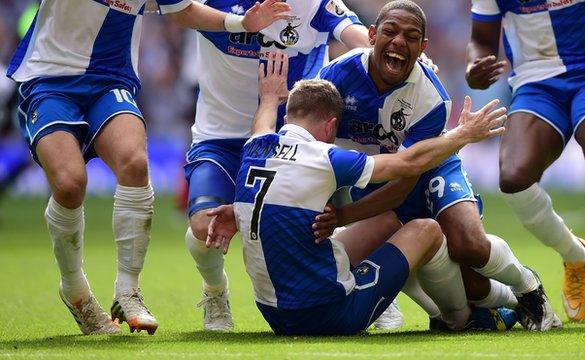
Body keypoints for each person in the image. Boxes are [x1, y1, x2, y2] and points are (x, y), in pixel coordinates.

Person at [6, 0, 290, 335]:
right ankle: (75, 289)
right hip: (50, 78)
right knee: (70, 184)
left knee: (136, 163)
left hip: (110, 81)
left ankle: (128, 291)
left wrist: (241, 23)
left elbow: (180, 10)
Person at [204, 51, 514, 335]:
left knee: (388, 221)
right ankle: (460, 317)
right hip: (327, 314)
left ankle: (443, 308)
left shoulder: (254, 146)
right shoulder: (324, 158)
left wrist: (269, 97)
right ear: (331, 126)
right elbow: (409, 163)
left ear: (288, 118)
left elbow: (262, 124)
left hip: (271, 312)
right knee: (426, 229)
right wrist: (462, 135)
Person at [316, 0, 561, 330]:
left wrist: (342, 218)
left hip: (429, 168)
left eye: (411, 36)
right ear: (372, 35)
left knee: (468, 246)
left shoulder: (432, 96)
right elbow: (318, 149)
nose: (399, 42)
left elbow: (403, 183)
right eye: (390, 31)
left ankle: (528, 287)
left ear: (422, 47)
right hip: (372, 181)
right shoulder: (335, 77)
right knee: (466, 290)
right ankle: (474, 310)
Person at [182, 0, 390, 332]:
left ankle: (356, 280)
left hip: (287, 143)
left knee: (320, 221)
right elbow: (178, 12)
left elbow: (357, 38)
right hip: (220, 138)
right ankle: (215, 291)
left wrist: (403, 61)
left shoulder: (314, 3)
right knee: (201, 225)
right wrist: (240, 24)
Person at [466, 0, 585, 326]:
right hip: (537, 83)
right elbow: (481, 40)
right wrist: (474, 67)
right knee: (513, 179)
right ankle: (576, 256)